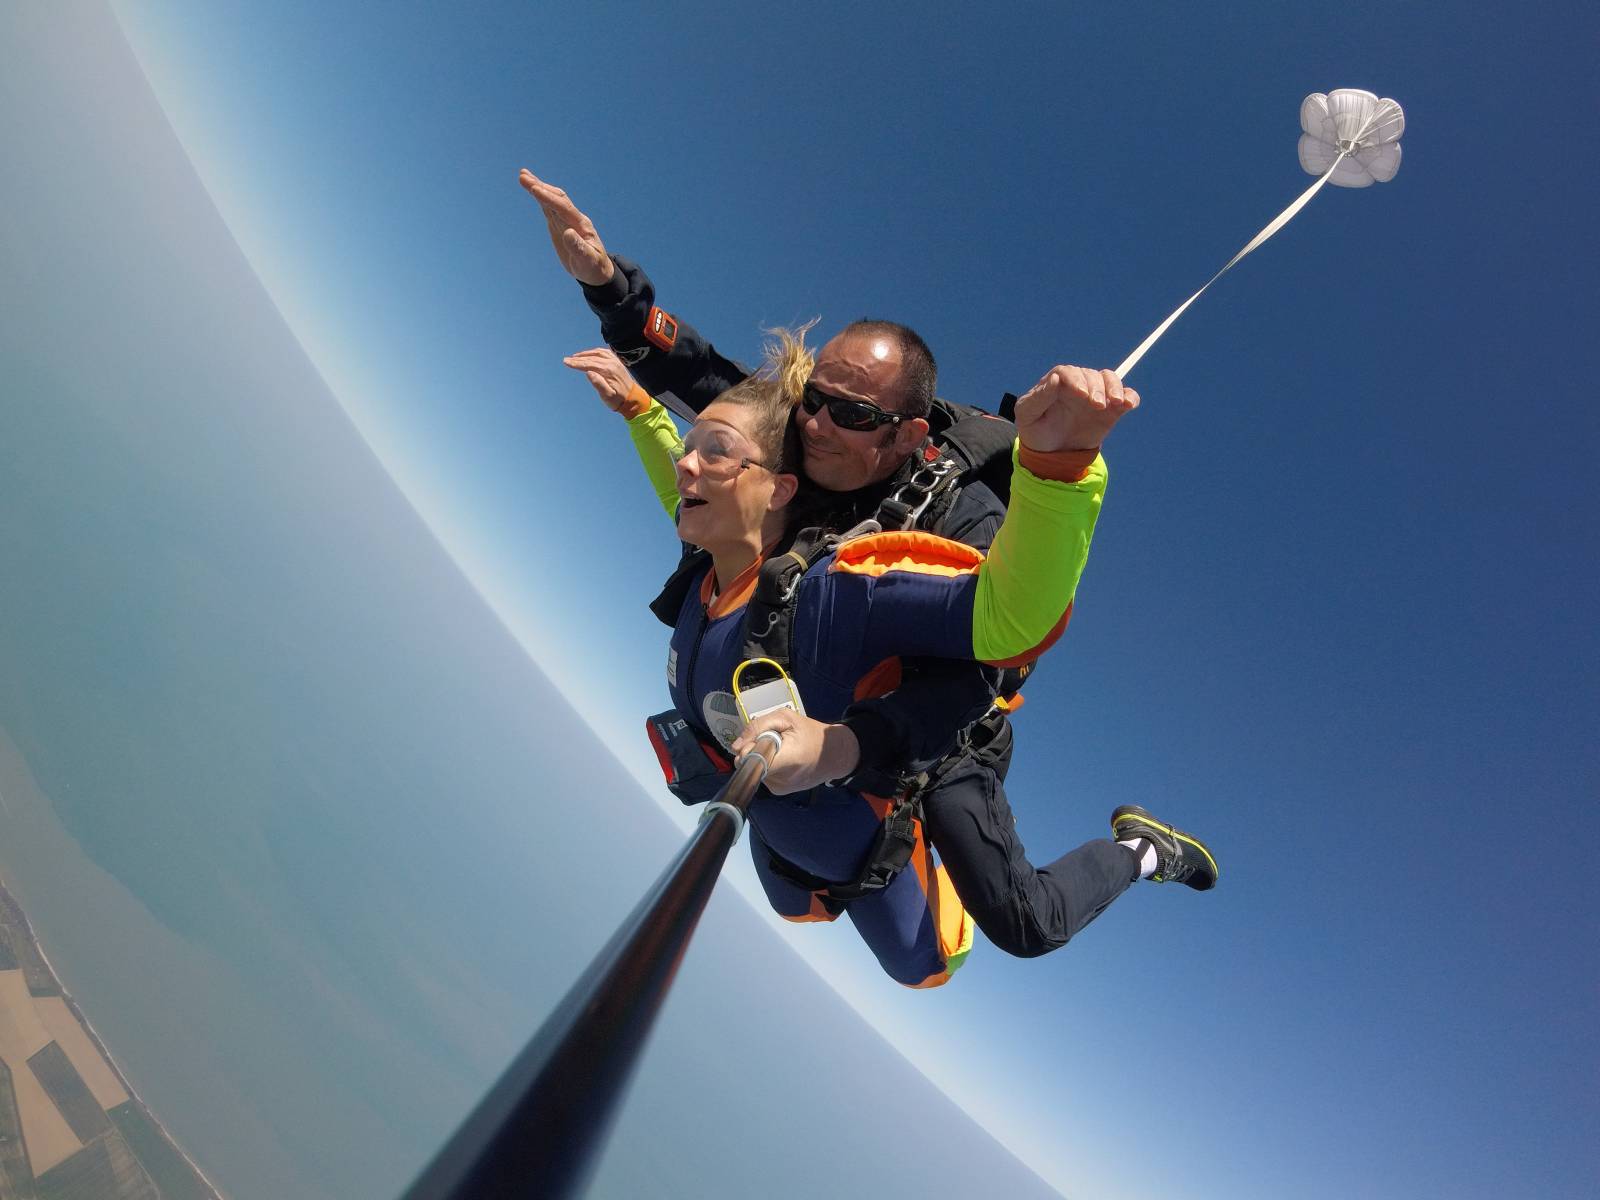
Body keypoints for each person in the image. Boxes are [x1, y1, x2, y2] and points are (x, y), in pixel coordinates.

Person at [525, 170, 1214, 964]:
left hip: (932, 710)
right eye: (814, 399)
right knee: (794, 877)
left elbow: (987, 662)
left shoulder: (965, 518)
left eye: (851, 415)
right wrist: (609, 287)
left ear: (906, 434)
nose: (817, 426)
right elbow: (706, 383)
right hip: (820, 673)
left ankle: (1142, 850)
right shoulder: (807, 443)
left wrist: (1056, 471)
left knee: (1022, 924)